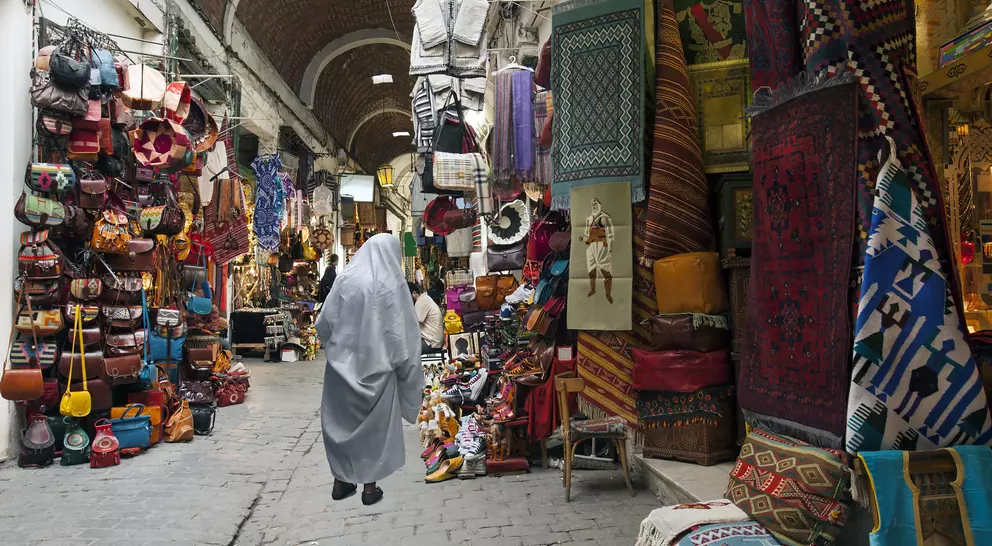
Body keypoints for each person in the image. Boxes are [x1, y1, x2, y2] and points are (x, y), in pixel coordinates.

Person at [315, 236, 424, 506]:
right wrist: (406, 370)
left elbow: (324, 322)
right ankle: (369, 488)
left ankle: (341, 481)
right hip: (377, 370)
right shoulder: (391, 284)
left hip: (340, 370)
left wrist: (338, 349)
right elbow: (403, 333)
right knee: (374, 432)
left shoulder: (346, 279)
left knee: (341, 426)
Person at [581, 197, 615, 304]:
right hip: (591, 247)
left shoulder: (605, 218)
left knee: (606, 271)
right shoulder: (588, 219)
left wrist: (609, 249)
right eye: (592, 204)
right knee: (591, 270)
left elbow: (610, 235)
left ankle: (608, 294)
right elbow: (587, 235)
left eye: (595, 203)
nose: (594, 206)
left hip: (602, 246)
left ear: (600, 204)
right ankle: (593, 289)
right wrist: (584, 239)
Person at [409, 282, 444, 352]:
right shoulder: (425, 299)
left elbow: (413, 325)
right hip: (434, 342)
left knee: (404, 350)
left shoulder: (421, 301)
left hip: (430, 343)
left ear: (414, 293)